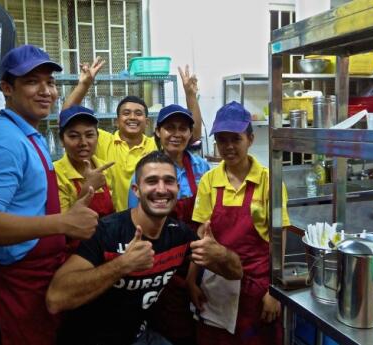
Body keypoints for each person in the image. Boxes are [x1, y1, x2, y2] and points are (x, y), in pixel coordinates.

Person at [0, 44, 99, 345]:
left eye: (50, 82)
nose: (46, 91)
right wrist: (63, 223)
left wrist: (83, 196)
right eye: (31, 81)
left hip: (42, 276)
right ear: (6, 88)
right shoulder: (2, 142)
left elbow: (31, 208)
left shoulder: (29, 134)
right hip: (17, 282)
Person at [46, 151, 242, 345]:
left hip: (140, 336)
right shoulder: (107, 231)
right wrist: (122, 265)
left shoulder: (178, 234)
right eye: (151, 181)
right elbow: (55, 299)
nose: (161, 189)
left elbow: (235, 273)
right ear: (136, 190)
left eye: (169, 181)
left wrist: (222, 254)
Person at [188, 101, 291, 345]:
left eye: (236, 139)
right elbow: (201, 236)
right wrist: (192, 281)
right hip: (218, 284)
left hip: (258, 286)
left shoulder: (269, 181)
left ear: (250, 139)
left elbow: (280, 238)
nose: (229, 146)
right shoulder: (209, 181)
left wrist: (274, 291)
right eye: (222, 140)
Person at [63, 61, 202, 211]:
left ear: (147, 122)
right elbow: (67, 119)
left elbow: (193, 135)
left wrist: (190, 95)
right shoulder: (102, 140)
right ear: (117, 121)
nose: (132, 117)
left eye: (138, 113)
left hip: (146, 218)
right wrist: (84, 85)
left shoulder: (155, 145)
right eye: (126, 113)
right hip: (113, 221)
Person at [127, 104, 209, 344]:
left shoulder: (201, 167)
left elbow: (207, 217)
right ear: (158, 132)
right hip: (161, 264)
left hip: (195, 260)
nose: (176, 134)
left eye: (183, 128)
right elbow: (136, 222)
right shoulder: (145, 170)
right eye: (169, 128)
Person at [54, 105, 115, 217]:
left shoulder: (105, 168)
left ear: (98, 137)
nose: (83, 142)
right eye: (74, 136)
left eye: (89, 135)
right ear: (62, 140)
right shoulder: (55, 173)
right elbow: (62, 224)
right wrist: (88, 189)